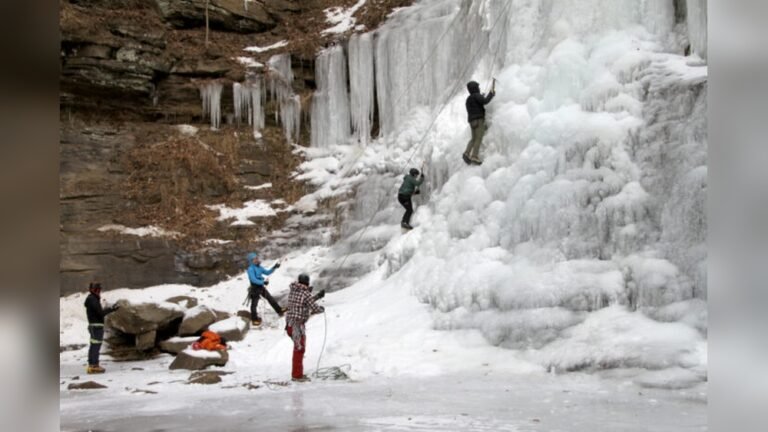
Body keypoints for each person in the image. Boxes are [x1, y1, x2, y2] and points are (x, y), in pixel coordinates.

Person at [285, 273, 325, 382]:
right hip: (296, 326)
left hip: (289, 325)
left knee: (299, 348)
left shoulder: (293, 290)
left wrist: (317, 296)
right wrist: (321, 309)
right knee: (299, 349)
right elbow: (313, 307)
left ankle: (297, 374)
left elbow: (303, 302)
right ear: (307, 282)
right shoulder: (305, 293)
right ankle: (297, 376)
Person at [83, 282, 118, 374]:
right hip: (96, 327)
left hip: (94, 326)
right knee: (96, 346)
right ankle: (94, 366)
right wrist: (112, 309)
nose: (100, 292)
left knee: (94, 345)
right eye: (99, 289)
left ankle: (92, 365)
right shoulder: (93, 300)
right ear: (96, 290)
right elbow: (100, 313)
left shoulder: (91, 299)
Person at [246, 252, 284, 326]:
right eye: (254, 259)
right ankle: (254, 319)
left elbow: (267, 272)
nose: (256, 260)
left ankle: (279, 310)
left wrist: (274, 267)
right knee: (254, 304)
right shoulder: (250, 269)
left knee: (270, 298)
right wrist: (263, 282)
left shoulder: (259, 267)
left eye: (256, 258)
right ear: (251, 261)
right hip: (255, 289)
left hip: (260, 287)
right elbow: (253, 279)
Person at [463, 80, 495, 165]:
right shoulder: (477, 96)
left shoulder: (468, 99)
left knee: (473, 139)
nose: (479, 88)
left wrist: (480, 97)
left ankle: (466, 153)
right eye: (478, 87)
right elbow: (485, 101)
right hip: (479, 120)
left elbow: (475, 105)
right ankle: (474, 156)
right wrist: (491, 94)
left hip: (471, 121)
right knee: (478, 138)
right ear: (475, 88)